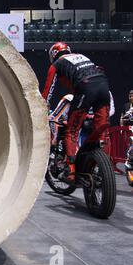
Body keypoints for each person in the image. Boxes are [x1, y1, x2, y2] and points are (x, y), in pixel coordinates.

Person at [42, 42, 111, 183]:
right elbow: (98, 70)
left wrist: (42, 107)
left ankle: (71, 170)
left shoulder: (57, 63)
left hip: (85, 88)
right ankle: (94, 158)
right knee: (102, 126)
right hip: (104, 86)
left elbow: (48, 90)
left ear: (53, 55)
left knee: (71, 131)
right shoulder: (82, 56)